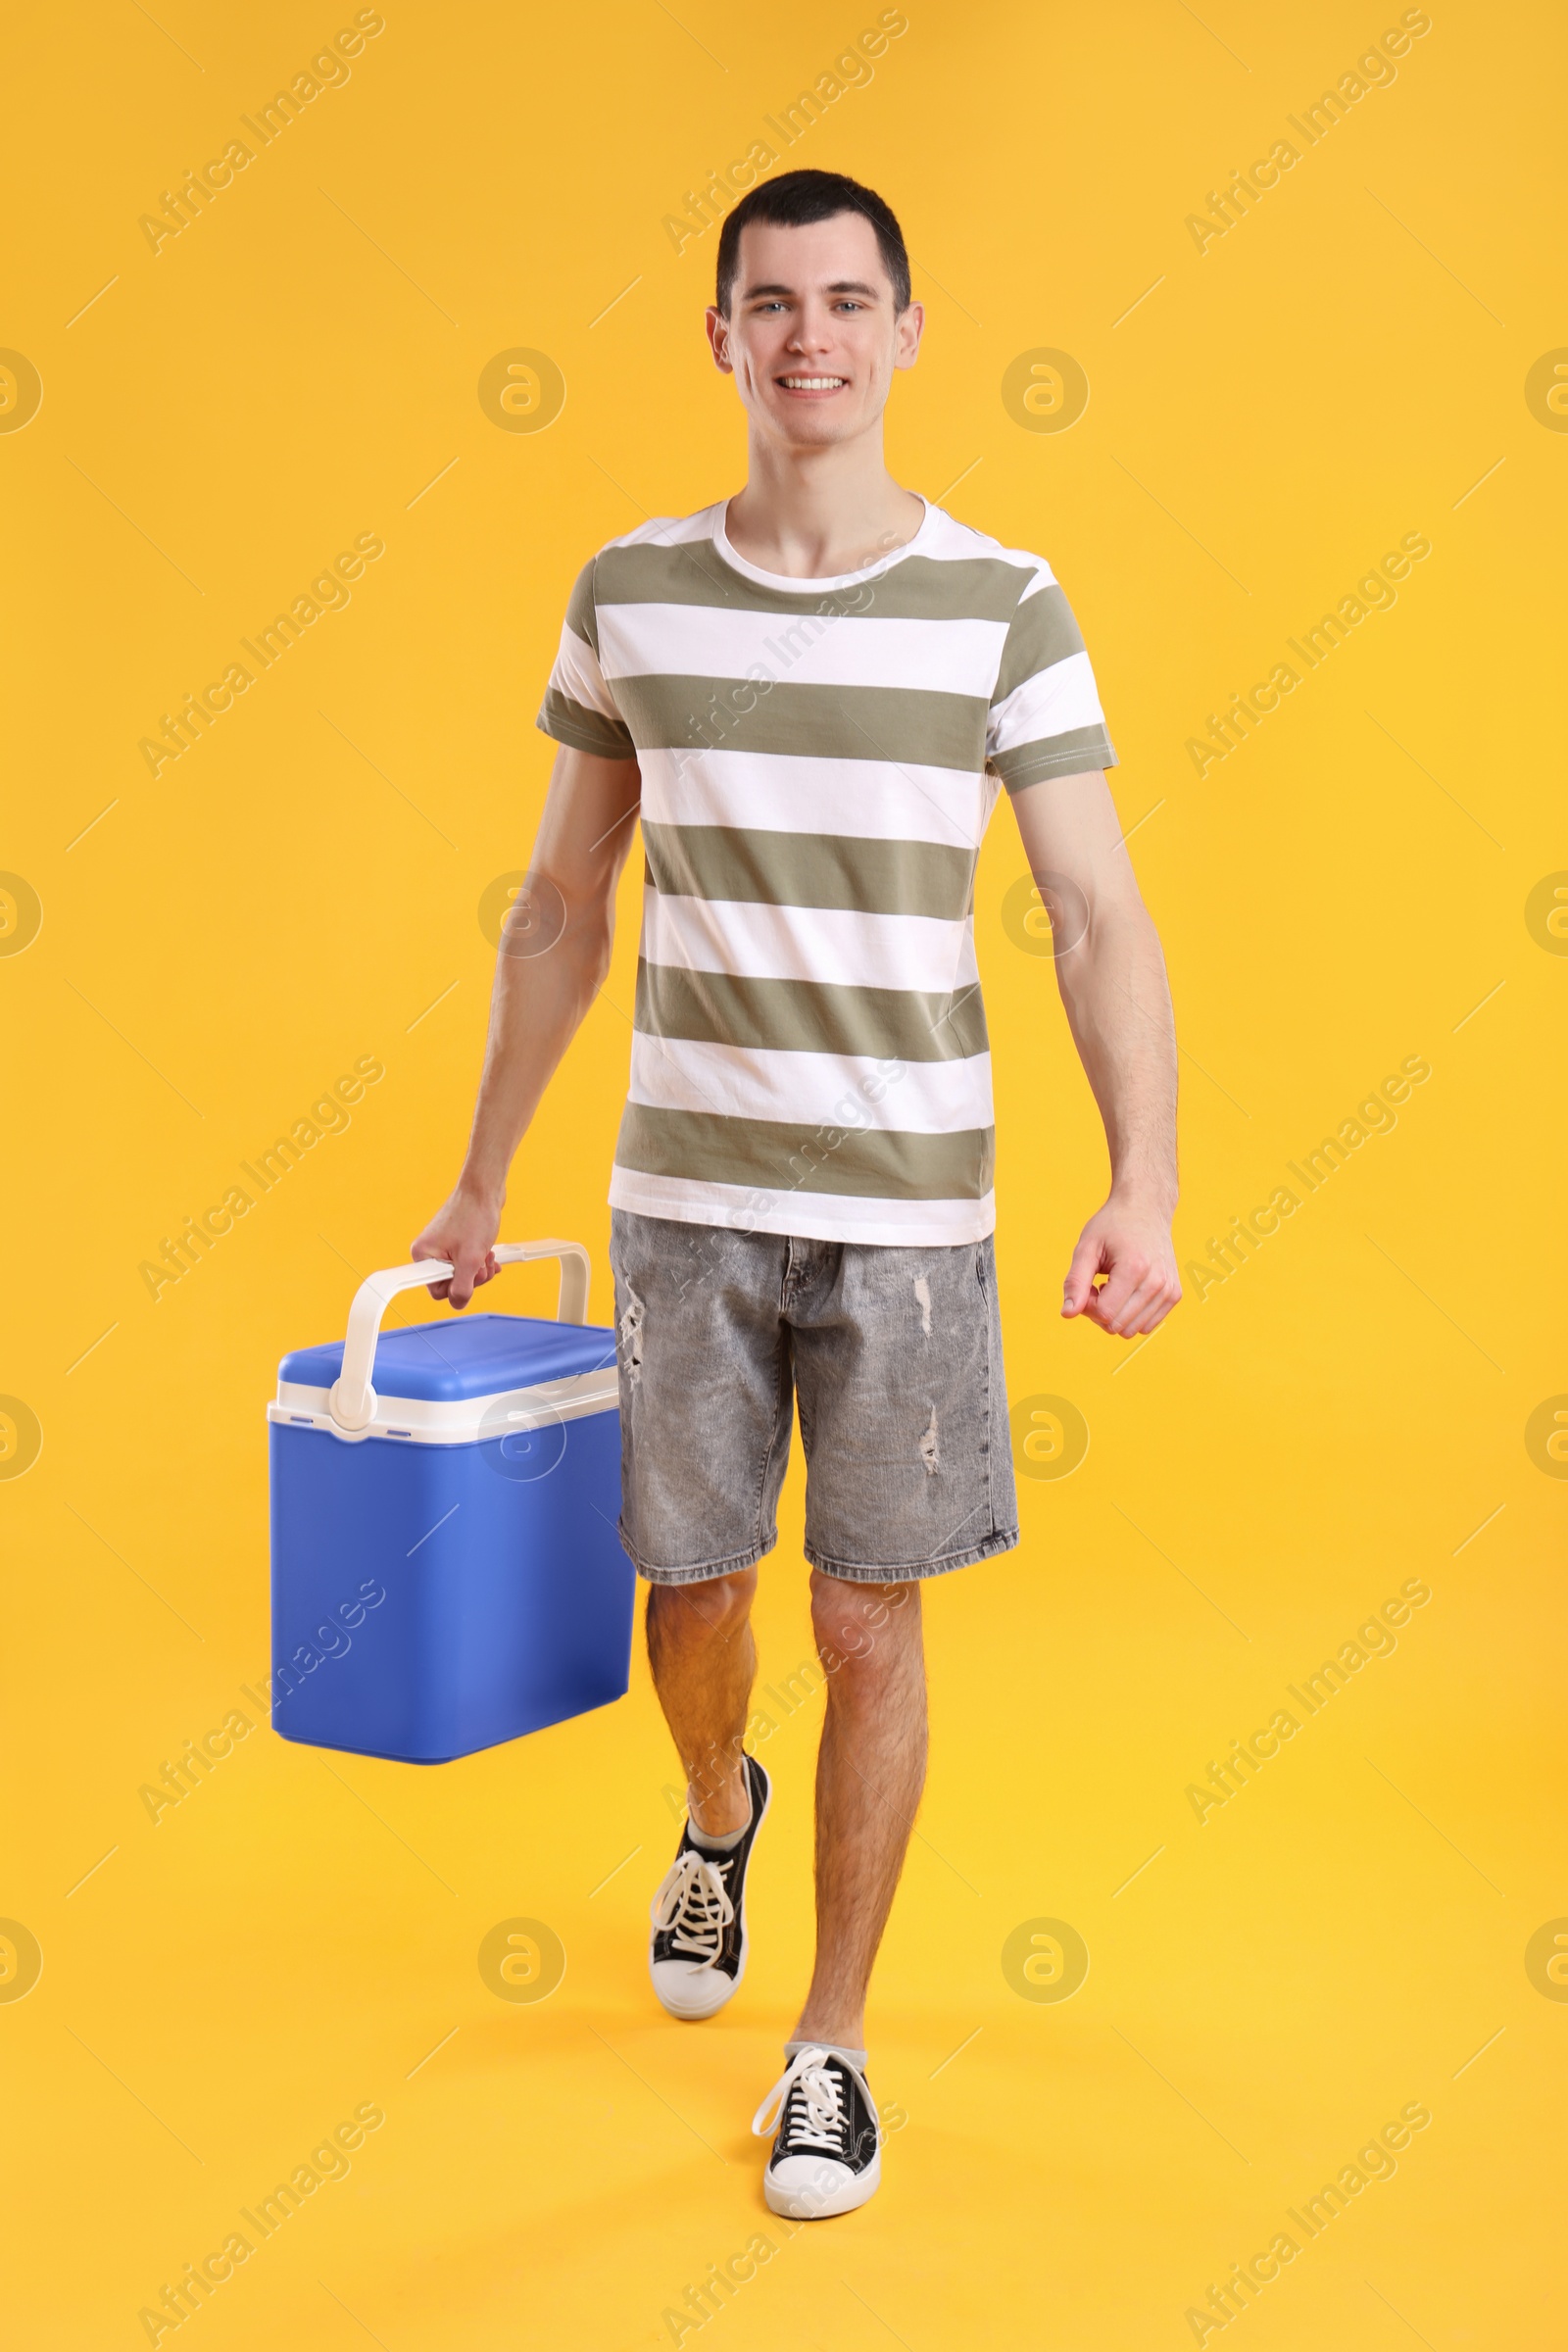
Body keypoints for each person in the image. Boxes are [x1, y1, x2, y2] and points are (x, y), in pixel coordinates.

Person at [414, 168, 1181, 2218]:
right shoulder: (629, 590)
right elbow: (560, 905)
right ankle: (709, 1807)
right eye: (775, 302)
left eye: (850, 300)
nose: (813, 334)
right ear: (724, 338)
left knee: (866, 1614)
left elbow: (1093, 913)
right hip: (680, 1200)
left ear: (907, 334)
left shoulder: (1002, 601)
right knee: (694, 1598)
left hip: (913, 1220)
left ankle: (827, 2039)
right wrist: (480, 1178)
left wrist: (1147, 1181)